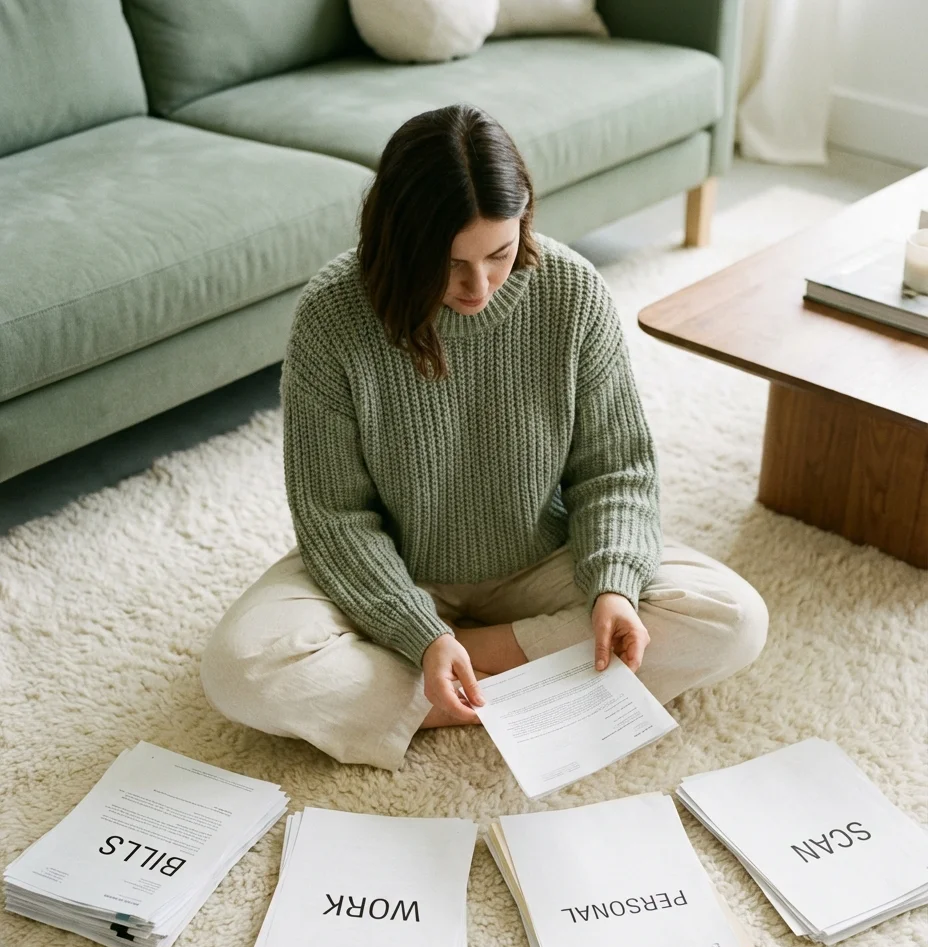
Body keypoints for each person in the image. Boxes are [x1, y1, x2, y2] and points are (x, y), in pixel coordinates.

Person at [201, 104, 768, 771]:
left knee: (731, 619)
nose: (479, 286)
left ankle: (452, 675)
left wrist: (612, 585)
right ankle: (511, 677)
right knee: (240, 667)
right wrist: (419, 631)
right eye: (449, 265)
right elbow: (335, 516)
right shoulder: (332, 317)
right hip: (397, 568)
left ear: (523, 219)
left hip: (541, 558)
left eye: (498, 255)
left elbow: (615, 470)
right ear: (401, 245)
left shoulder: (570, 290)